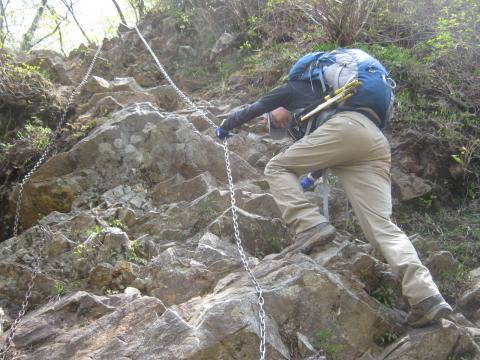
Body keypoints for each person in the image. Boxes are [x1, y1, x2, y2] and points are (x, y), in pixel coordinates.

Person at [215, 48, 453, 327]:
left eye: (274, 120)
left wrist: (226, 126)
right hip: (372, 140)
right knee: (382, 226)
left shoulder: (292, 89)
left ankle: (309, 227)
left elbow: (254, 109)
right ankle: (426, 296)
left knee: (276, 167)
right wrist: (310, 179)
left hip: (348, 129)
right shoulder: (325, 99)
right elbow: (329, 152)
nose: (278, 123)